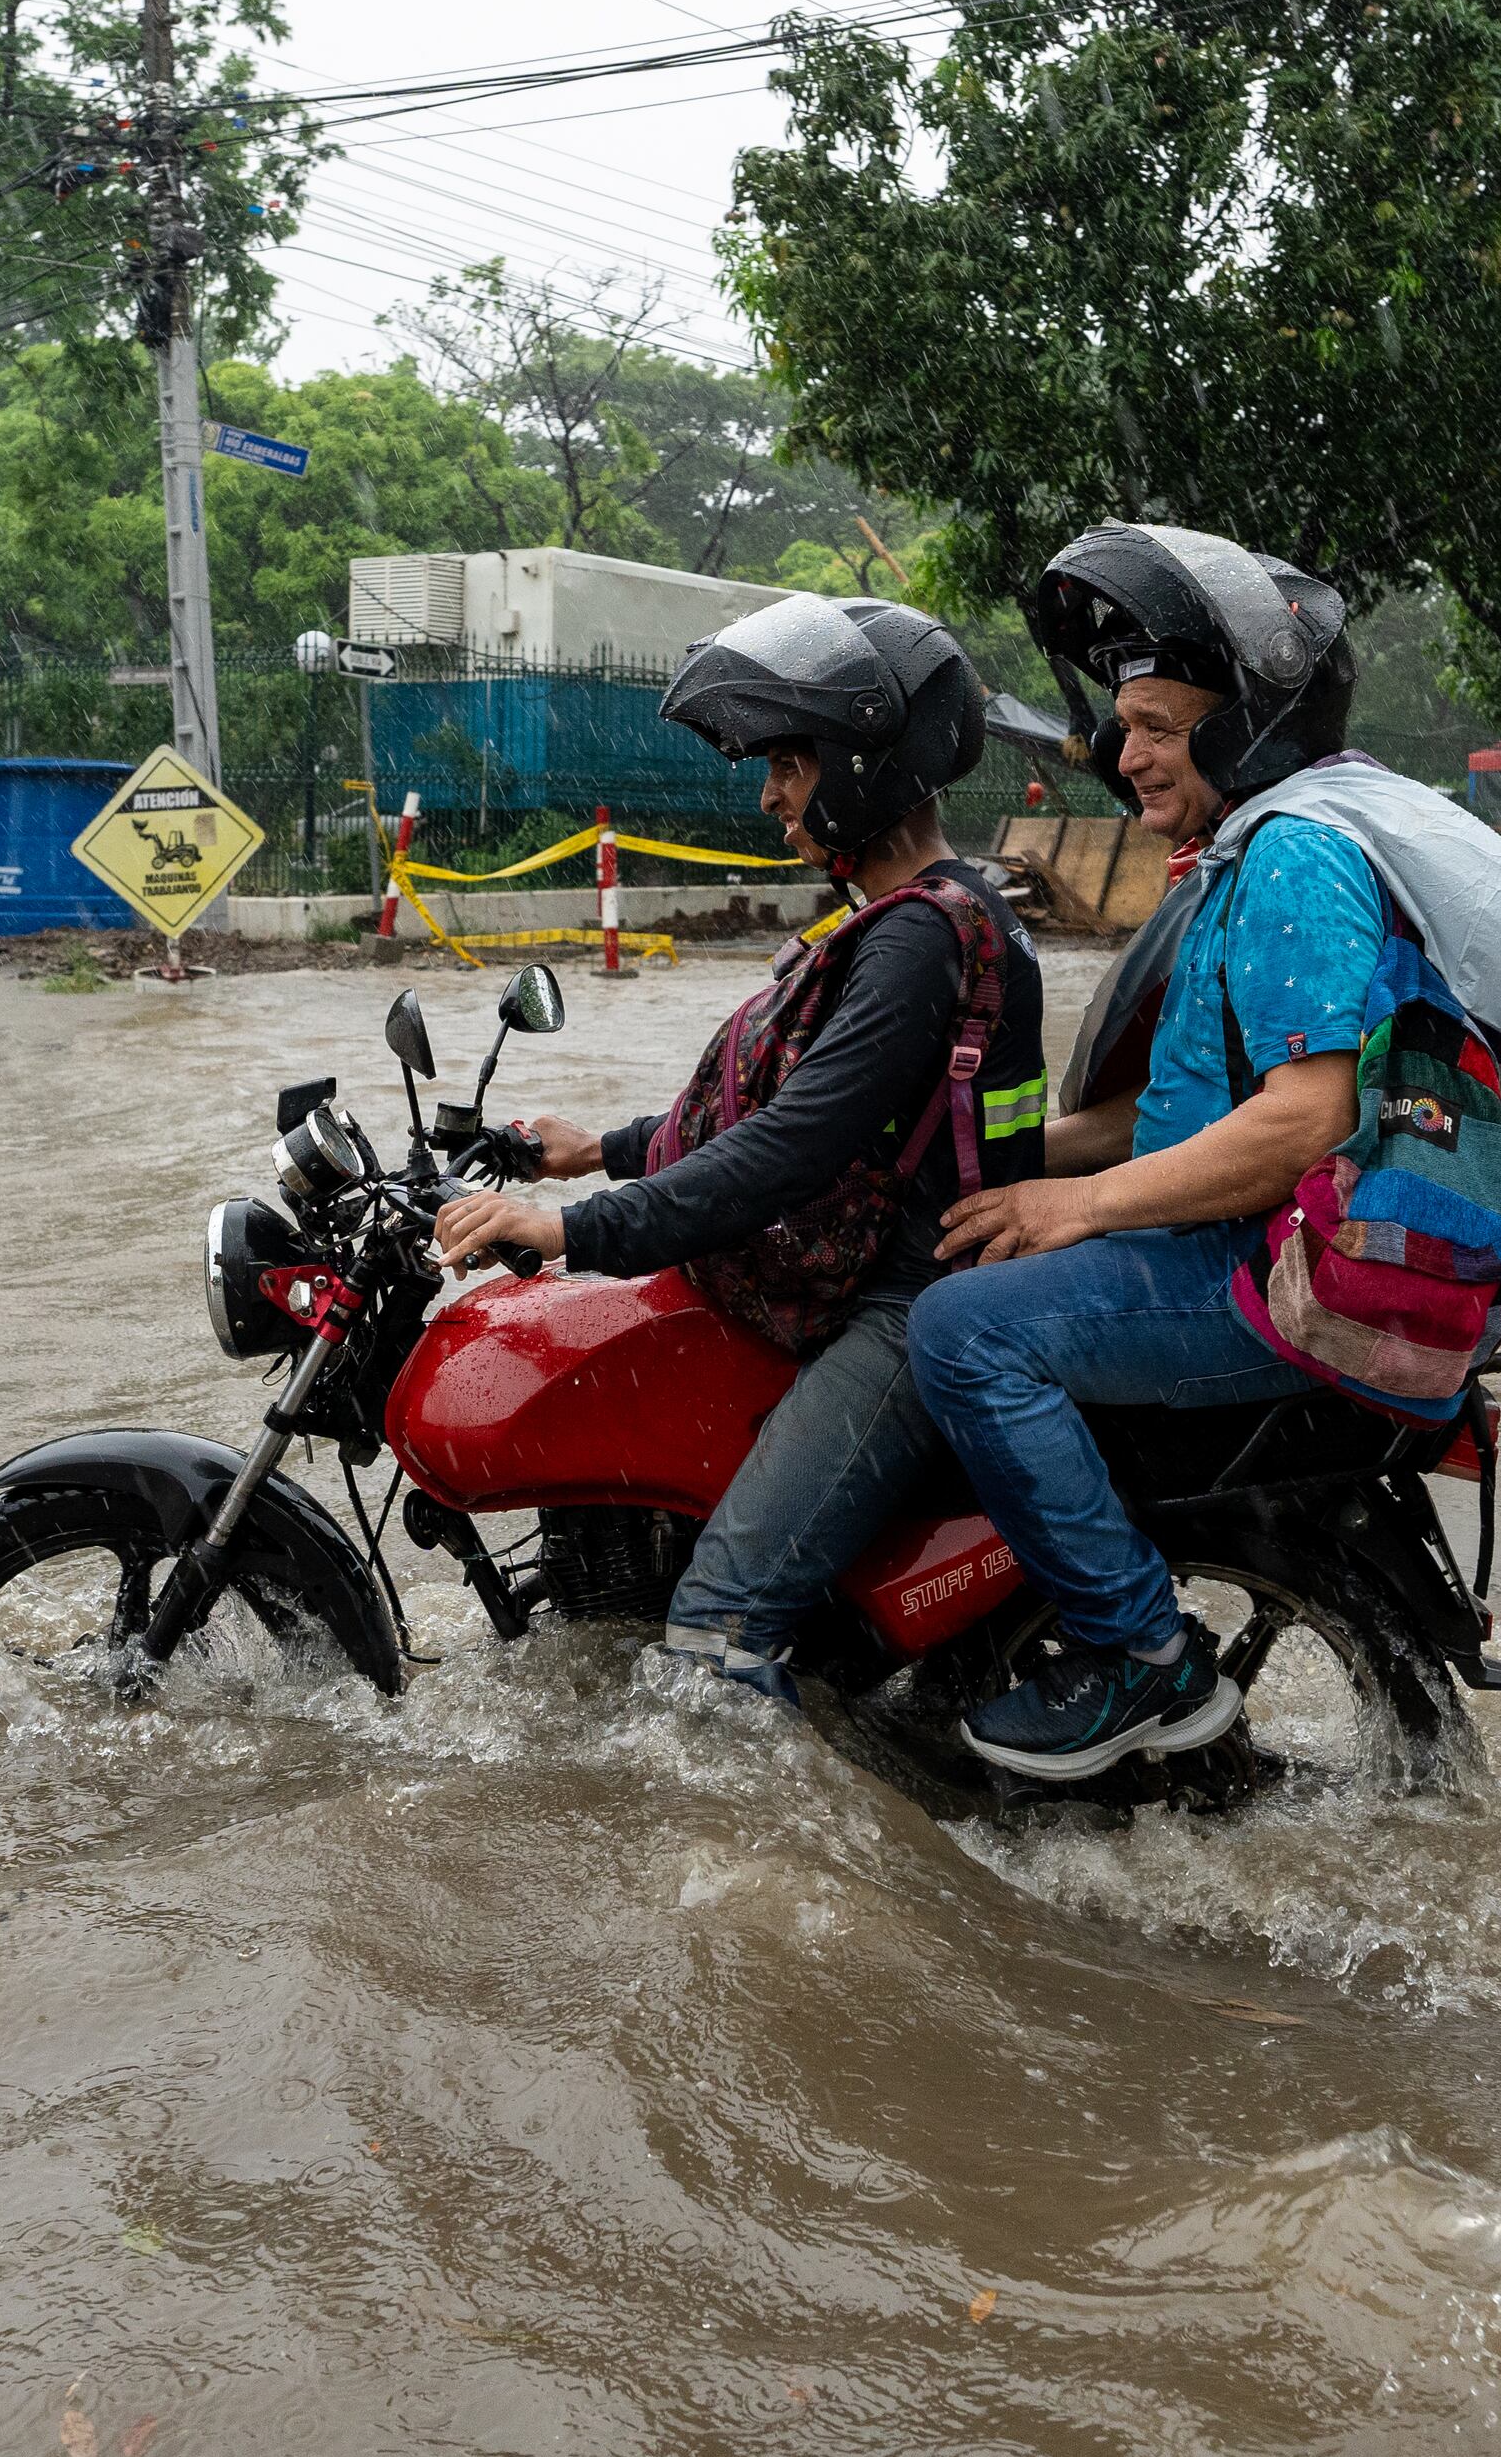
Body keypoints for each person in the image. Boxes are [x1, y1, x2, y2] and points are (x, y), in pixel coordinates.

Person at [907, 523, 1447, 1781]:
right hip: (1219, 1236)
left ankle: (1140, 1655)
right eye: (1125, 722)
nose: (1124, 752)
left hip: (1263, 1269)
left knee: (962, 1331)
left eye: (1156, 724)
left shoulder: (1297, 855)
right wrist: (988, 1160)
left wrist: (1077, 1208)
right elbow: (1175, 1109)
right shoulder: (1224, 863)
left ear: (1238, 728)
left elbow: (1301, 1118)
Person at [431, 596, 1048, 1698]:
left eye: (791, 766)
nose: (770, 796)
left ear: (864, 761)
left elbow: (788, 1151)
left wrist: (568, 1229)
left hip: (906, 1311)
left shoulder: (919, 938)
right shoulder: (920, 917)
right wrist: (602, 1151)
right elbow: (781, 1112)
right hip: (883, 1286)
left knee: (716, 1622)